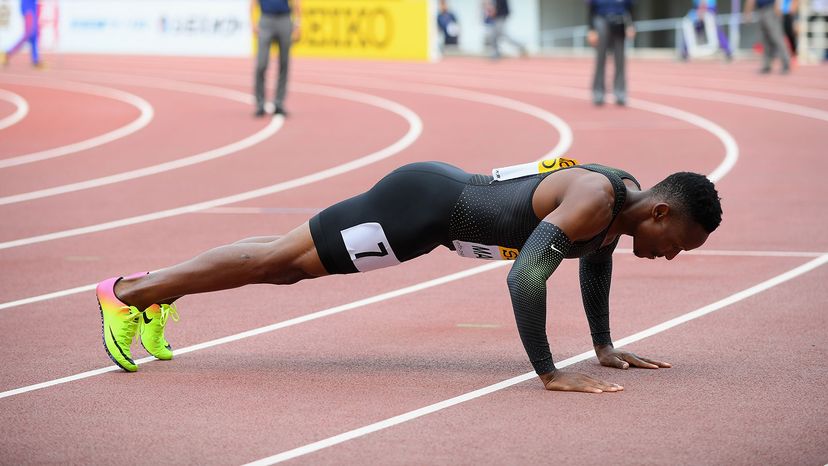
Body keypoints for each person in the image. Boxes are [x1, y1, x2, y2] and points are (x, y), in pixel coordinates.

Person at [96, 158, 722, 394]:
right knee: (276, 264)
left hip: (428, 222)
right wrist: (551, 373)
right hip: (417, 209)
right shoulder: (595, 198)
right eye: (678, 244)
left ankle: (155, 292)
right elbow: (526, 276)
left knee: (282, 264)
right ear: (661, 212)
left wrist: (605, 347)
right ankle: (126, 294)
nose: (671, 256)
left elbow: (596, 263)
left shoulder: (619, 210)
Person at [252, 0, 301, 117]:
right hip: (266, 19)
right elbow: (253, 3)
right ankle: (260, 103)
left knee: (284, 63)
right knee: (261, 64)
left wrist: (298, 23)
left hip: (284, 19)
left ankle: (279, 103)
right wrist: (253, 22)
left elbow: (296, 2)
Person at [587, 0, 635, 106]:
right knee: (600, 60)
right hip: (601, 20)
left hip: (620, 22)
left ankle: (620, 93)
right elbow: (591, 9)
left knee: (620, 60)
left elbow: (630, 7)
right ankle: (598, 93)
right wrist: (591, 29)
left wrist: (631, 25)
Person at [745, 0, 792, 74]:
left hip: (771, 9)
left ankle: (786, 63)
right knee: (765, 39)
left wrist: (778, 6)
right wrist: (748, 12)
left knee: (777, 37)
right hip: (760, 10)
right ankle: (767, 64)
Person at [1, 0, 42, 68]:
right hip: (28, 7)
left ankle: (35, 60)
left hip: (32, 7)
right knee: (28, 33)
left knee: (34, 34)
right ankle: (7, 54)